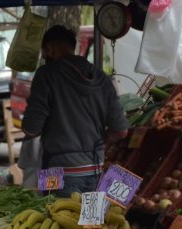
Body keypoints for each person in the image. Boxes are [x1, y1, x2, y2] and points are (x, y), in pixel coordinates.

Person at [22, 25, 129, 197]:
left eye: (44, 52)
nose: (44, 56)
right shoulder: (101, 76)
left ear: (49, 48)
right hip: (95, 169)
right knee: (93, 221)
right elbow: (121, 130)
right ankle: (92, 224)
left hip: (54, 170)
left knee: (53, 218)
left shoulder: (46, 74)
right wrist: (101, 142)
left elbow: (31, 128)